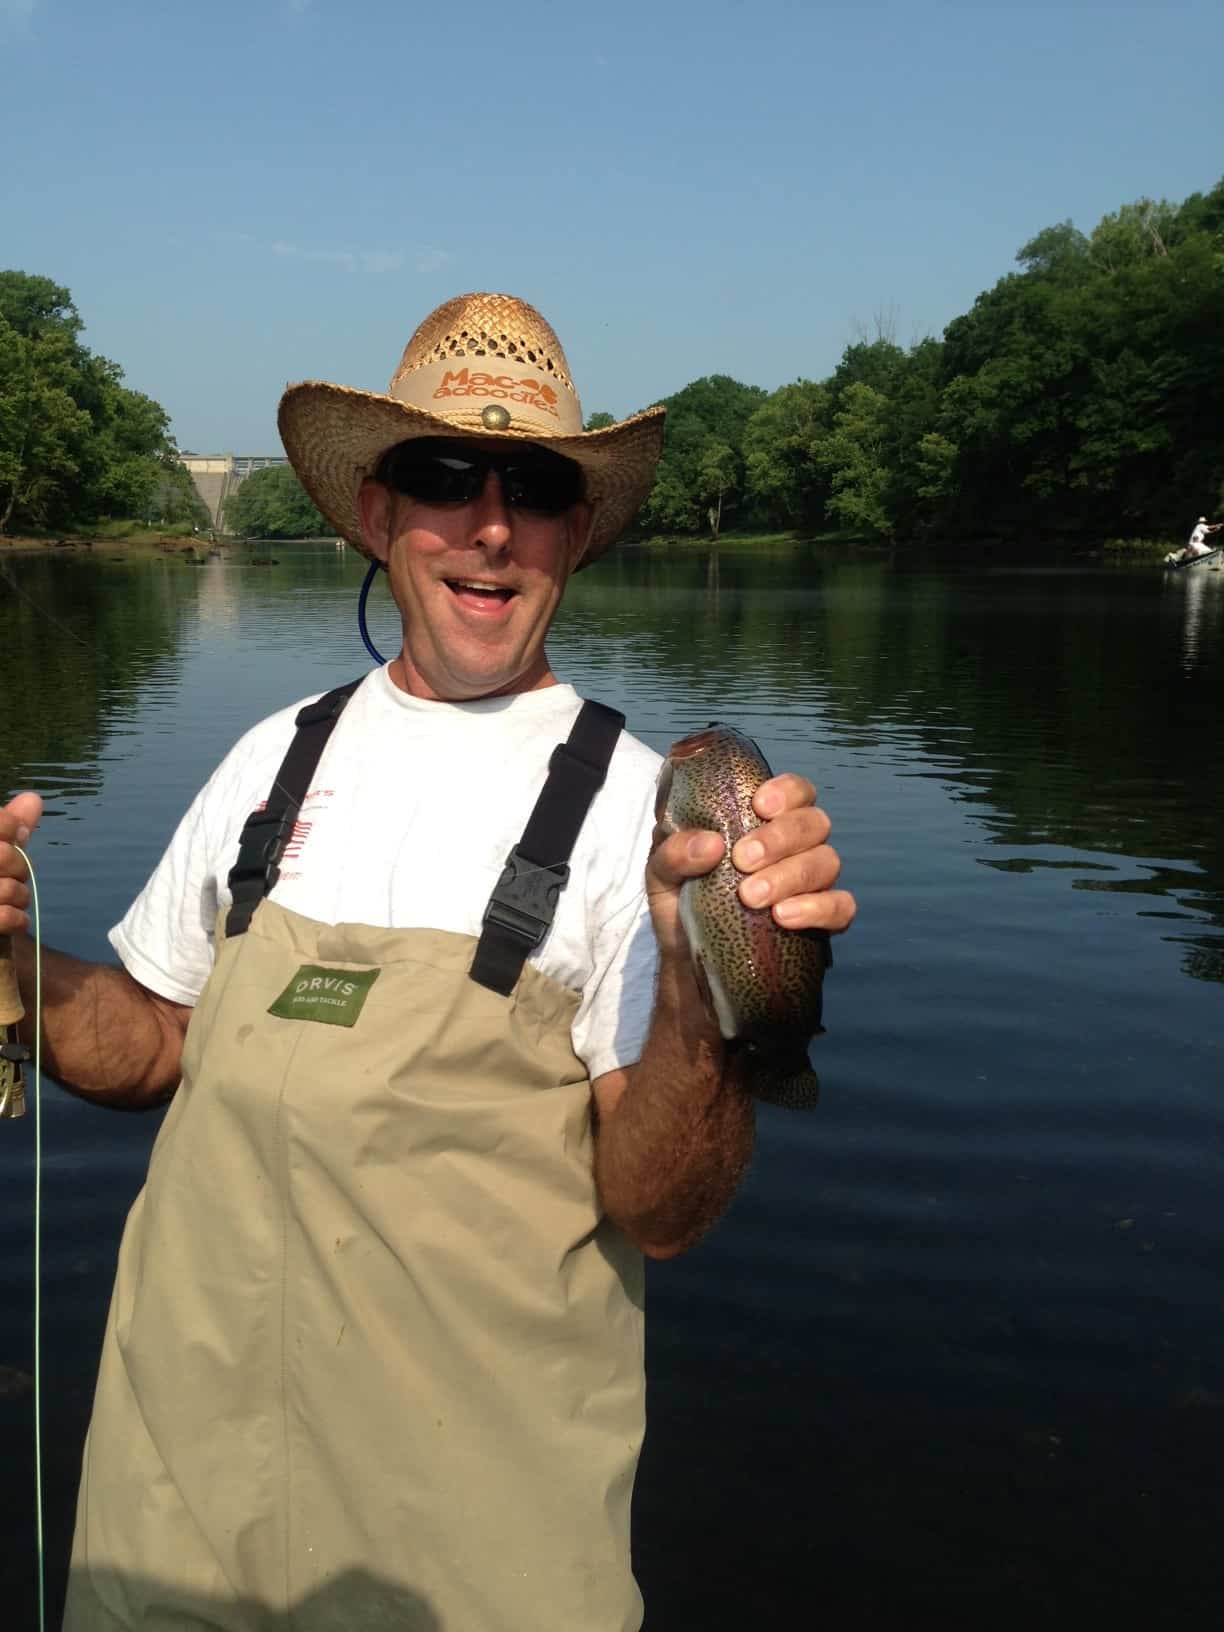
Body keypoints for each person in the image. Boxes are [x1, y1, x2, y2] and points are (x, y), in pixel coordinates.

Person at [0, 292, 856, 1631]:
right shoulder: (270, 758)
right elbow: (153, 1043)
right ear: (380, 511)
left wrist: (704, 999)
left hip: (469, 1561)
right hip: (172, 1525)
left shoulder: (645, 815)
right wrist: (12, 963)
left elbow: (662, 1213)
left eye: (536, 488)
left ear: (576, 531)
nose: (491, 525)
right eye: (447, 476)